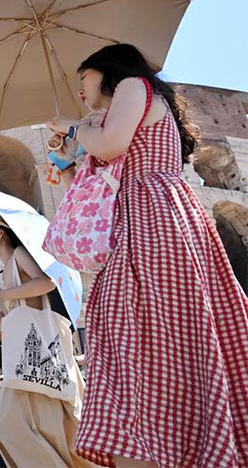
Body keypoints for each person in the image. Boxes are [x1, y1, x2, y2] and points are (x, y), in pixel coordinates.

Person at [46, 43, 248, 467]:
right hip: (139, 217)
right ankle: (152, 436)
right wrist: (69, 162)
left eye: (82, 77)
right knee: (133, 326)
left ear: (106, 72)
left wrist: (74, 128)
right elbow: (100, 179)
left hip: (151, 216)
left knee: (151, 323)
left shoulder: (135, 87)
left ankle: (166, 438)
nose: (80, 88)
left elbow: (112, 143)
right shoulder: (125, 105)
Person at [0, 213, 91, 466]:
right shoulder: (7, 270)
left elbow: (46, 283)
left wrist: (4, 293)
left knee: (30, 427)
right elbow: (6, 319)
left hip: (39, 355)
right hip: (23, 362)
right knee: (14, 427)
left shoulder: (19, 255)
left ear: (1, 234)